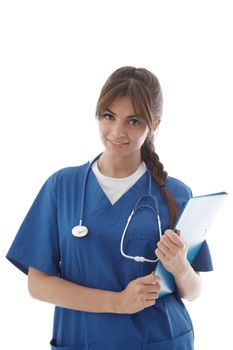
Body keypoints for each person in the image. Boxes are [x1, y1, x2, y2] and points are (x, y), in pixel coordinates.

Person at [6, 66, 213, 350]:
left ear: (154, 125)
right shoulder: (62, 187)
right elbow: (38, 284)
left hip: (159, 340)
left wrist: (180, 267)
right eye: (108, 116)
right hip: (82, 340)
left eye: (134, 121)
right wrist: (117, 303)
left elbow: (193, 291)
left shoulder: (175, 194)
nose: (117, 131)